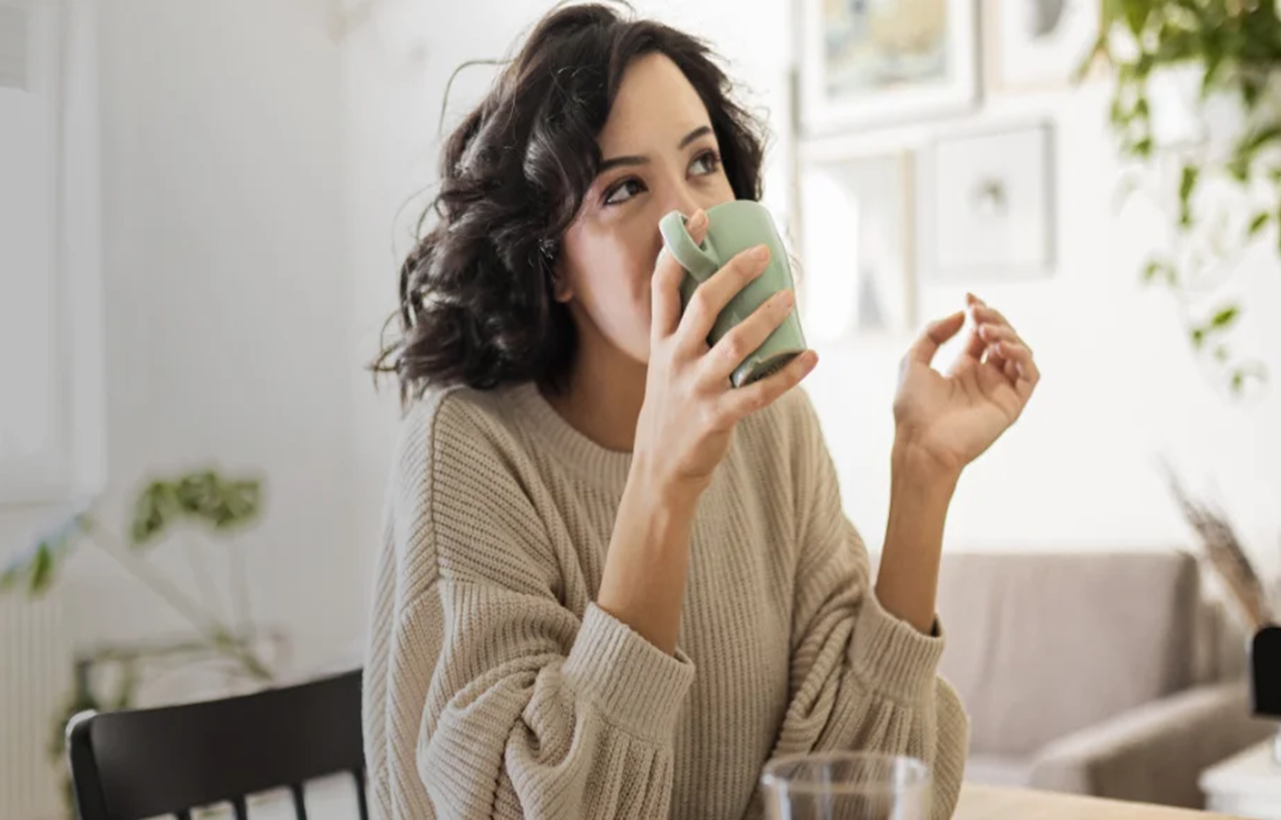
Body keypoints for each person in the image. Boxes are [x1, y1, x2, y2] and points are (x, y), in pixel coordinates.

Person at [361, 3, 1041, 820]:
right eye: (622, 188)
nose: (688, 218)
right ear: (554, 268)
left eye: (703, 162)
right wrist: (663, 482)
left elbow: (851, 786)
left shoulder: (772, 424)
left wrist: (921, 478)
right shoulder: (466, 449)